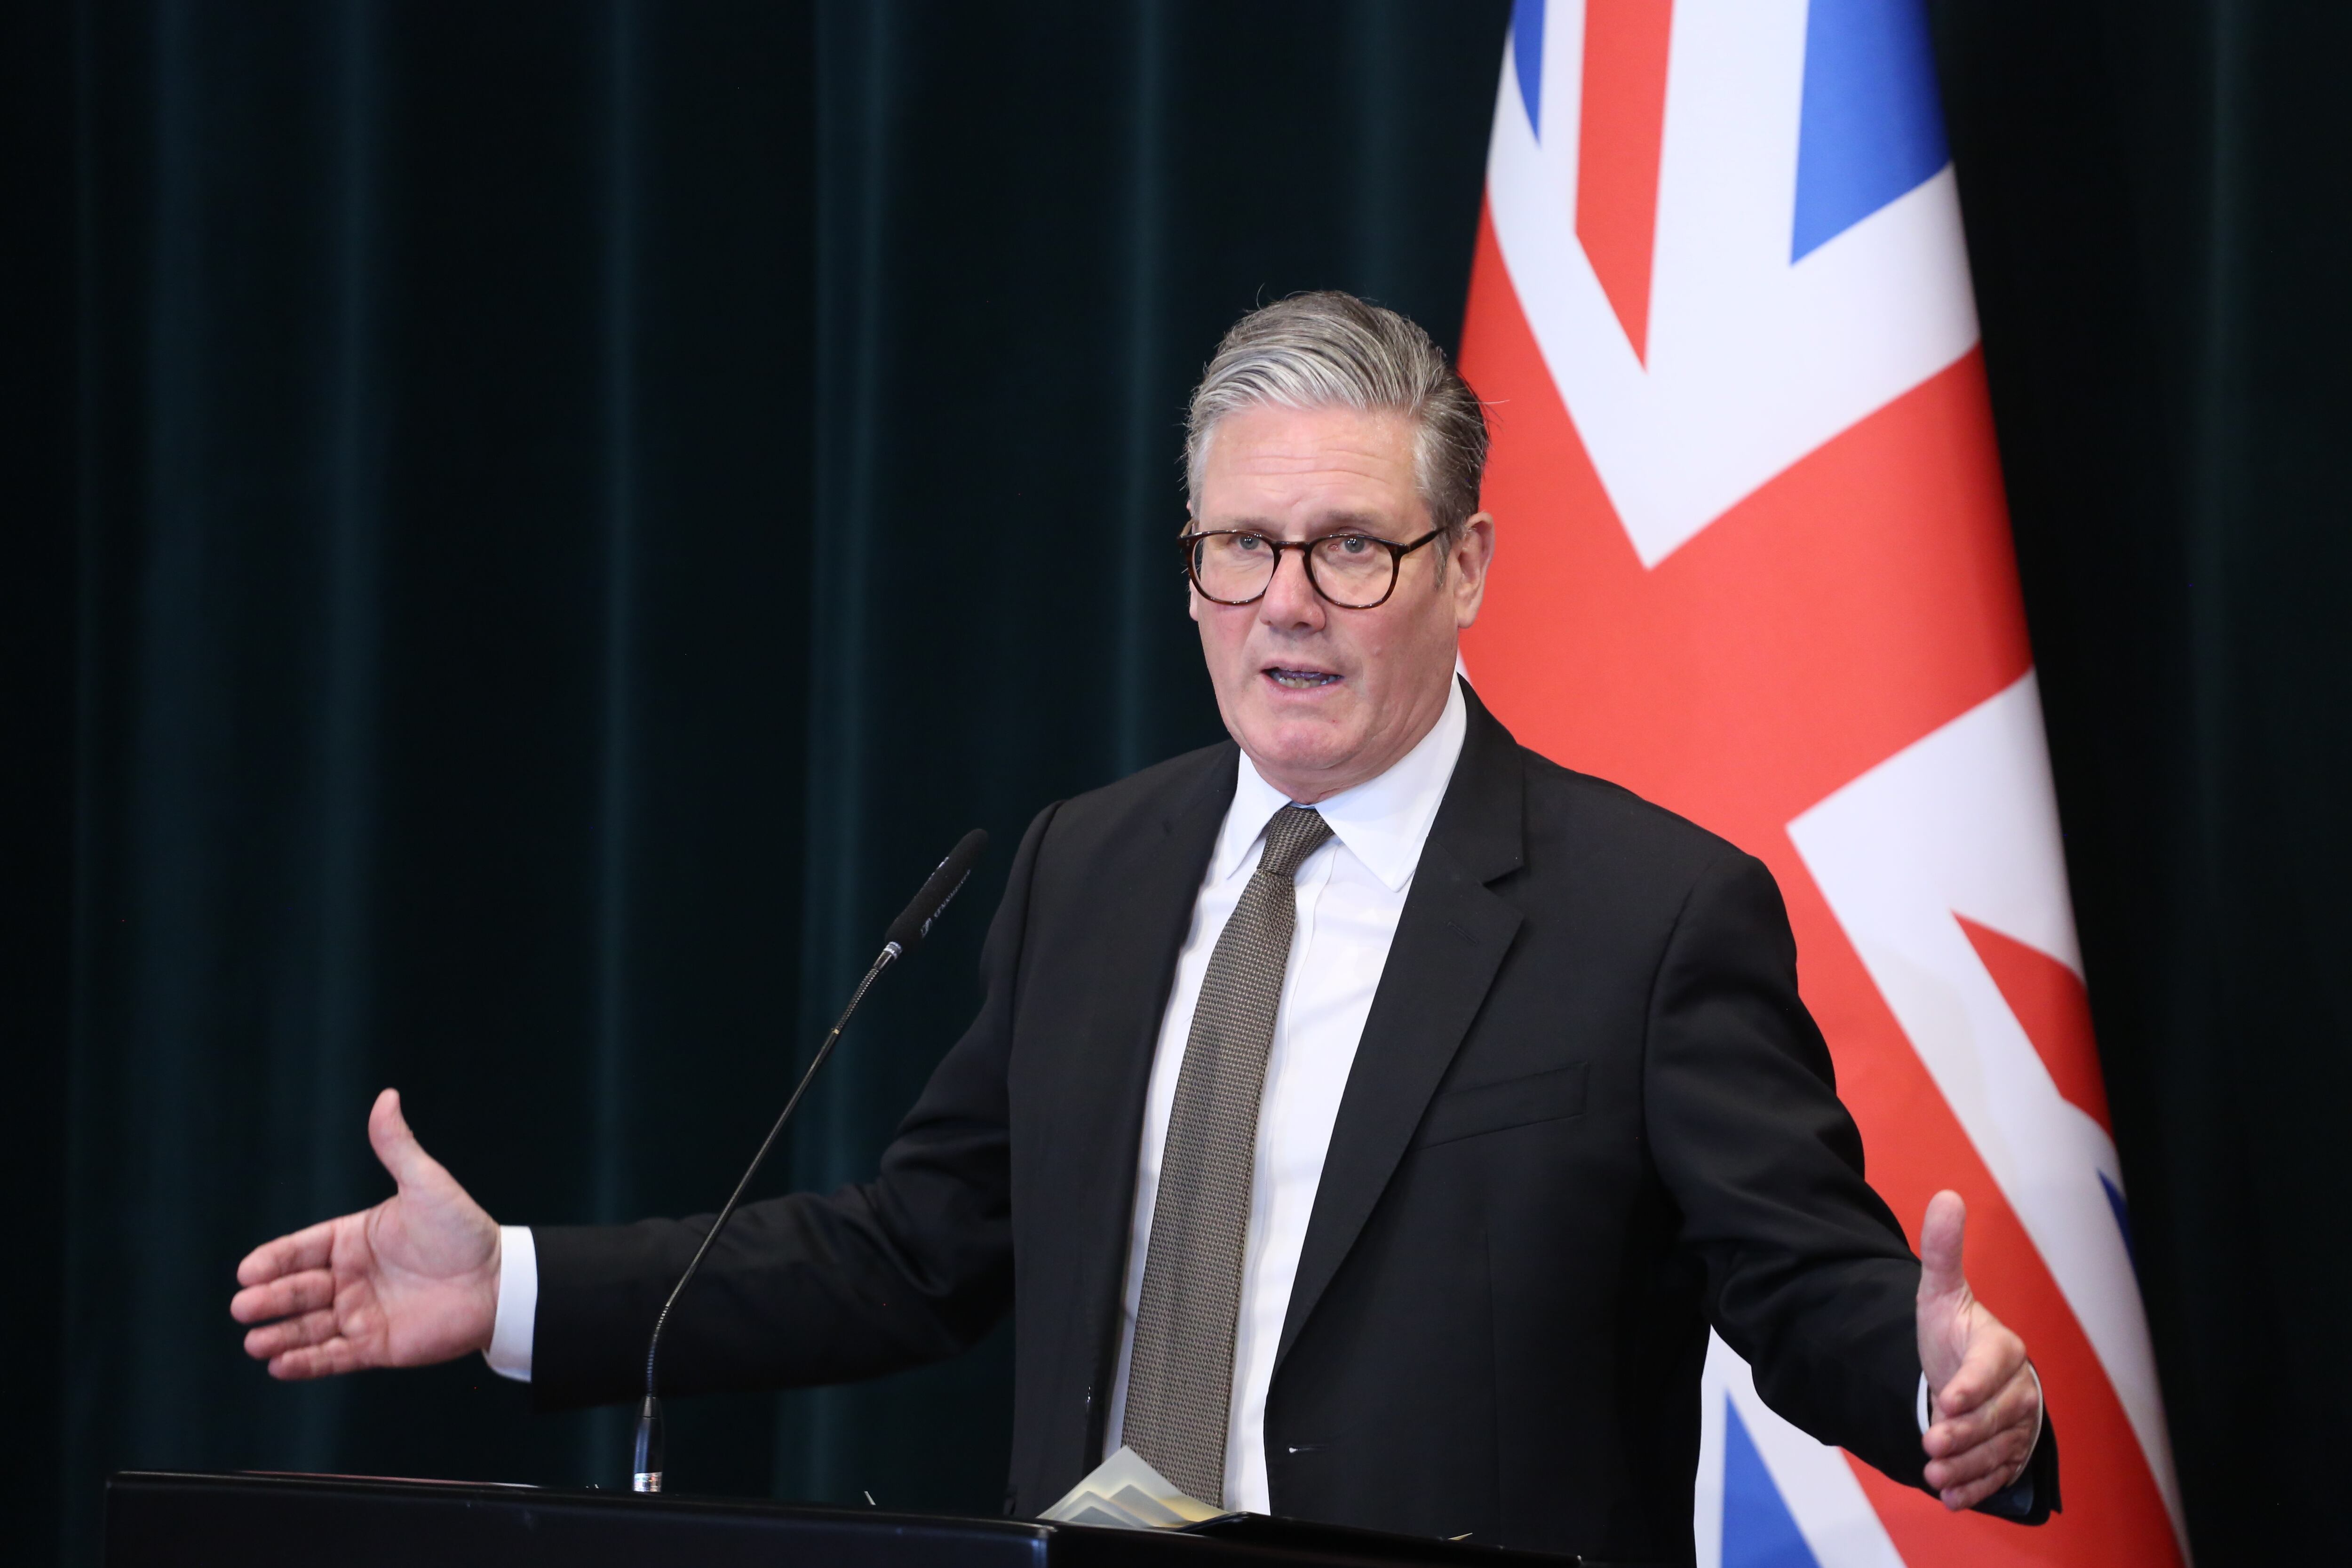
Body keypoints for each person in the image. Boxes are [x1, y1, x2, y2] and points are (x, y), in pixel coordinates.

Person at [232, 292, 2053, 1562]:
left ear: (1468, 571)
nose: (1287, 604)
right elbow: (919, 1251)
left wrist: (1930, 1381)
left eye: (1352, 548)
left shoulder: (1646, 912)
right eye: (1238, 547)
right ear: (1189, 569)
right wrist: (516, 1287)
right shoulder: (1087, 866)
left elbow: (1790, 1275)